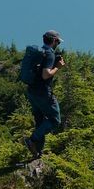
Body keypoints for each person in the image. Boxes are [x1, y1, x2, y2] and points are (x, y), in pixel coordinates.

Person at [22, 30, 65, 159]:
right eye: (58, 41)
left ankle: (38, 152)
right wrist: (58, 67)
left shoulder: (39, 53)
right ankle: (32, 140)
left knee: (40, 122)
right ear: (53, 41)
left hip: (32, 92)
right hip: (43, 93)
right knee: (54, 120)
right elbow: (46, 74)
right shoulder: (49, 54)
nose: (58, 44)